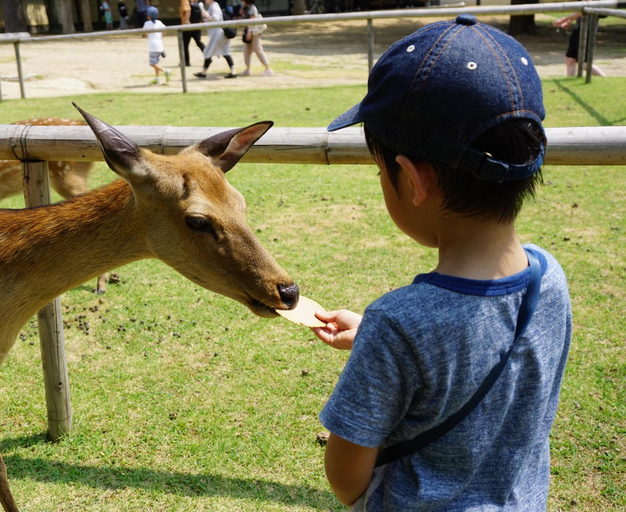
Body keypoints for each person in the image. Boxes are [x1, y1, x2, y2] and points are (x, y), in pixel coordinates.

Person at [312, 15, 572, 510]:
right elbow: (481, 344)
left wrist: (386, 344)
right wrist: (380, 343)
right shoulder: (549, 277)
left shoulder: (400, 324)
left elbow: (347, 479)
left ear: (412, 179)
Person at [553, 10, 607, 77]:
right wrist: (569, 20)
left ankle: (607, 80)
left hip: (587, 31)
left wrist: (564, 19)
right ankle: (570, 81)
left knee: (584, 64)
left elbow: (585, 9)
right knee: (570, 59)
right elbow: (581, 11)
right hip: (578, 29)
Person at [193, 0, 237, 79]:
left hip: (218, 34)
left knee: (209, 51)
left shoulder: (214, 6)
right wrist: (205, 19)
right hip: (220, 33)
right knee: (225, 52)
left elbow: (216, 19)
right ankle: (233, 71)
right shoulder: (213, 6)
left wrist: (206, 15)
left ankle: (204, 72)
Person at [239, 0, 273, 76]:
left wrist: (249, 32)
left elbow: (252, 20)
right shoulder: (247, 8)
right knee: (246, 50)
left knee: (258, 49)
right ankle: (248, 69)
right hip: (251, 32)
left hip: (254, 32)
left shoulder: (252, 8)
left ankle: (268, 68)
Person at [143, 6, 170, 85]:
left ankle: (165, 71)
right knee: (156, 63)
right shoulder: (159, 22)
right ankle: (157, 78)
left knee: (152, 63)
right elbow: (165, 31)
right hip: (160, 46)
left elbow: (145, 35)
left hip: (152, 47)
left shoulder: (147, 23)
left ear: (149, 15)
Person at [180, 0, 206, 67]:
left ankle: (186, 62)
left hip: (188, 25)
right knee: (198, 42)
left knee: (185, 44)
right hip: (196, 24)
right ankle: (208, 55)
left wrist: (187, 20)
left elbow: (187, 10)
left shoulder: (184, 0)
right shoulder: (195, 2)